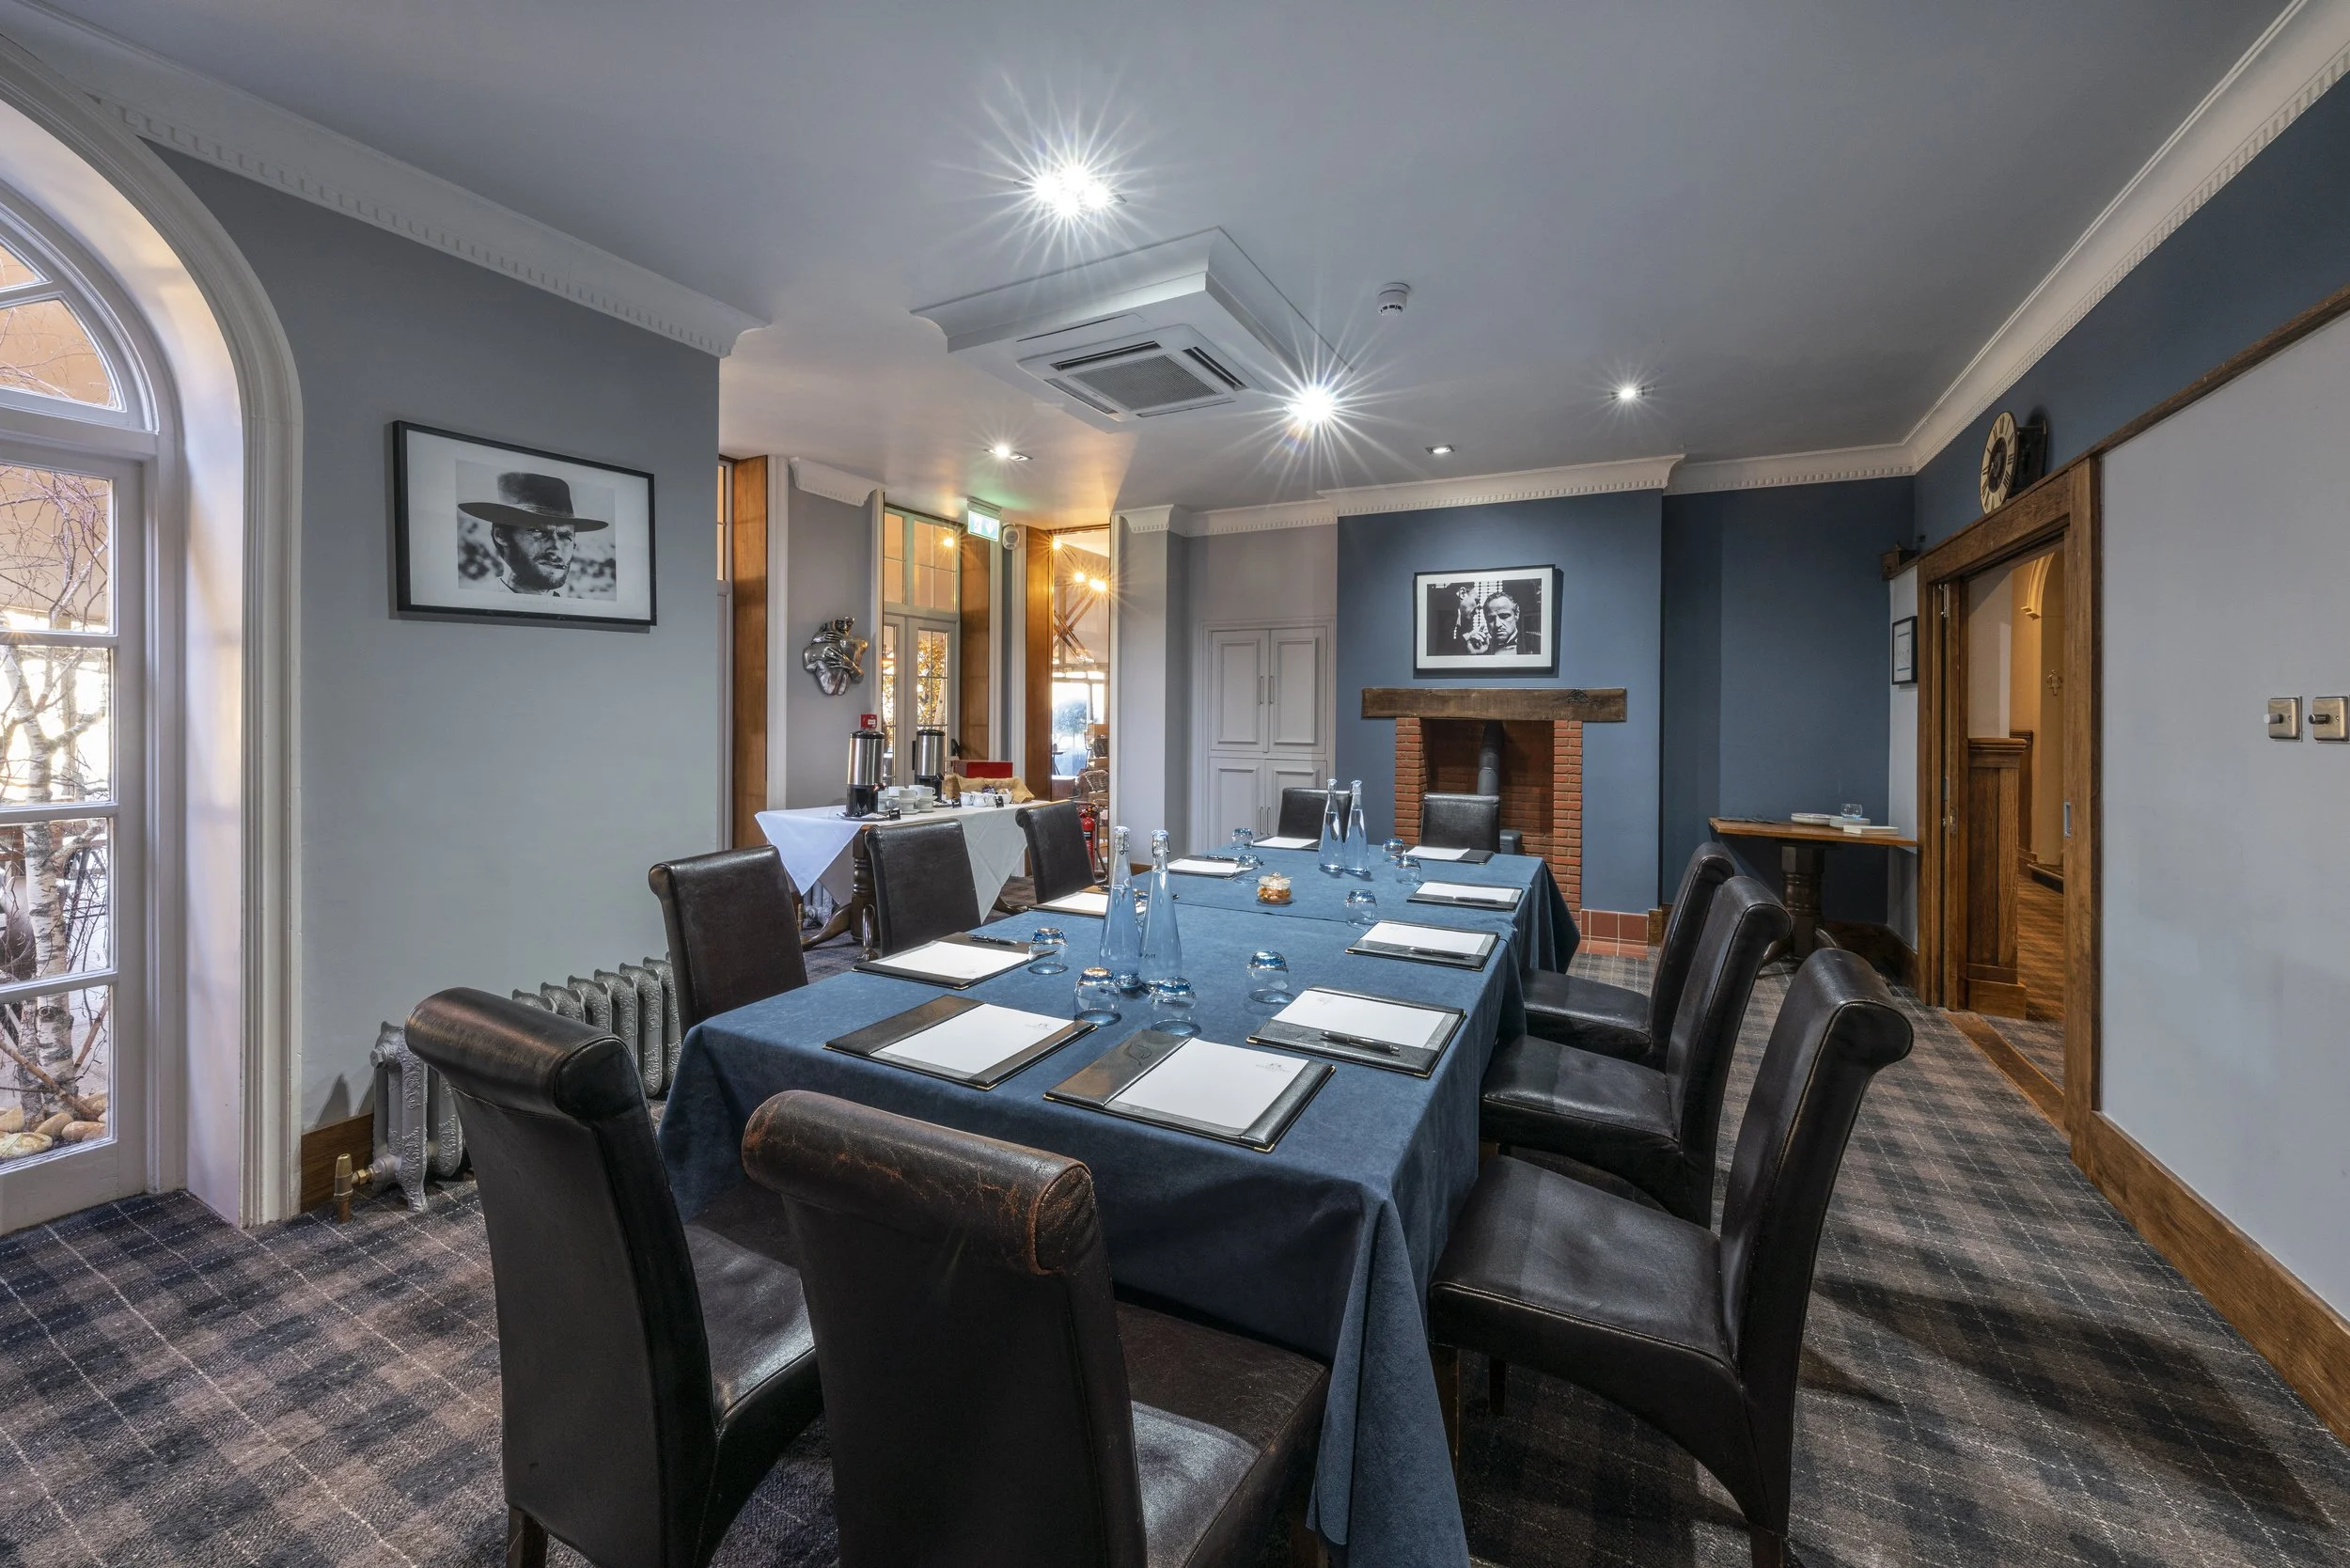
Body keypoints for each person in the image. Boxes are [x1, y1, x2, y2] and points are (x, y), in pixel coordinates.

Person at [458, 471, 608, 596]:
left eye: (565, 536)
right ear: (501, 535)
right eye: (538, 531)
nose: (555, 549)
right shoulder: (475, 603)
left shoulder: (574, 614)